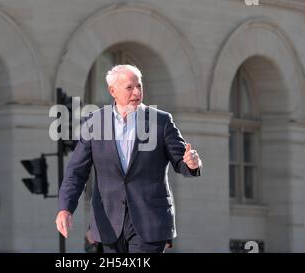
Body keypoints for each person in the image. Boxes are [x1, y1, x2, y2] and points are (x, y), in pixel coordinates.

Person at [55, 65, 202, 253]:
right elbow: (76, 172)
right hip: (107, 222)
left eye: (139, 86)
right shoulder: (94, 123)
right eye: (129, 87)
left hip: (150, 220)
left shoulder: (161, 121)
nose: (136, 92)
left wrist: (191, 163)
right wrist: (65, 208)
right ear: (112, 91)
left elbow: (181, 161)